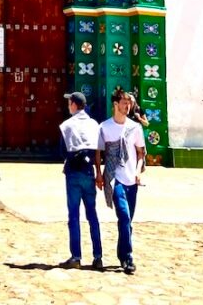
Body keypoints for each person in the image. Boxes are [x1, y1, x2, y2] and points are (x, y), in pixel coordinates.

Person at [96, 90, 145, 275]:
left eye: (129, 103)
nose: (128, 106)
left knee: (127, 221)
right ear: (115, 104)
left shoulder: (135, 128)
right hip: (115, 178)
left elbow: (141, 152)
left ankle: (121, 252)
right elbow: (99, 152)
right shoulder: (105, 127)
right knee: (123, 216)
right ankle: (128, 258)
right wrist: (99, 174)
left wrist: (139, 171)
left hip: (131, 179)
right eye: (124, 102)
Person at [60, 91, 103, 271]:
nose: (68, 105)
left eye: (69, 102)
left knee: (74, 216)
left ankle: (76, 256)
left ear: (74, 105)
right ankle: (98, 257)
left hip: (73, 173)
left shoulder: (67, 125)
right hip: (89, 171)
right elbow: (99, 150)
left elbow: (62, 151)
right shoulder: (94, 124)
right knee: (92, 215)